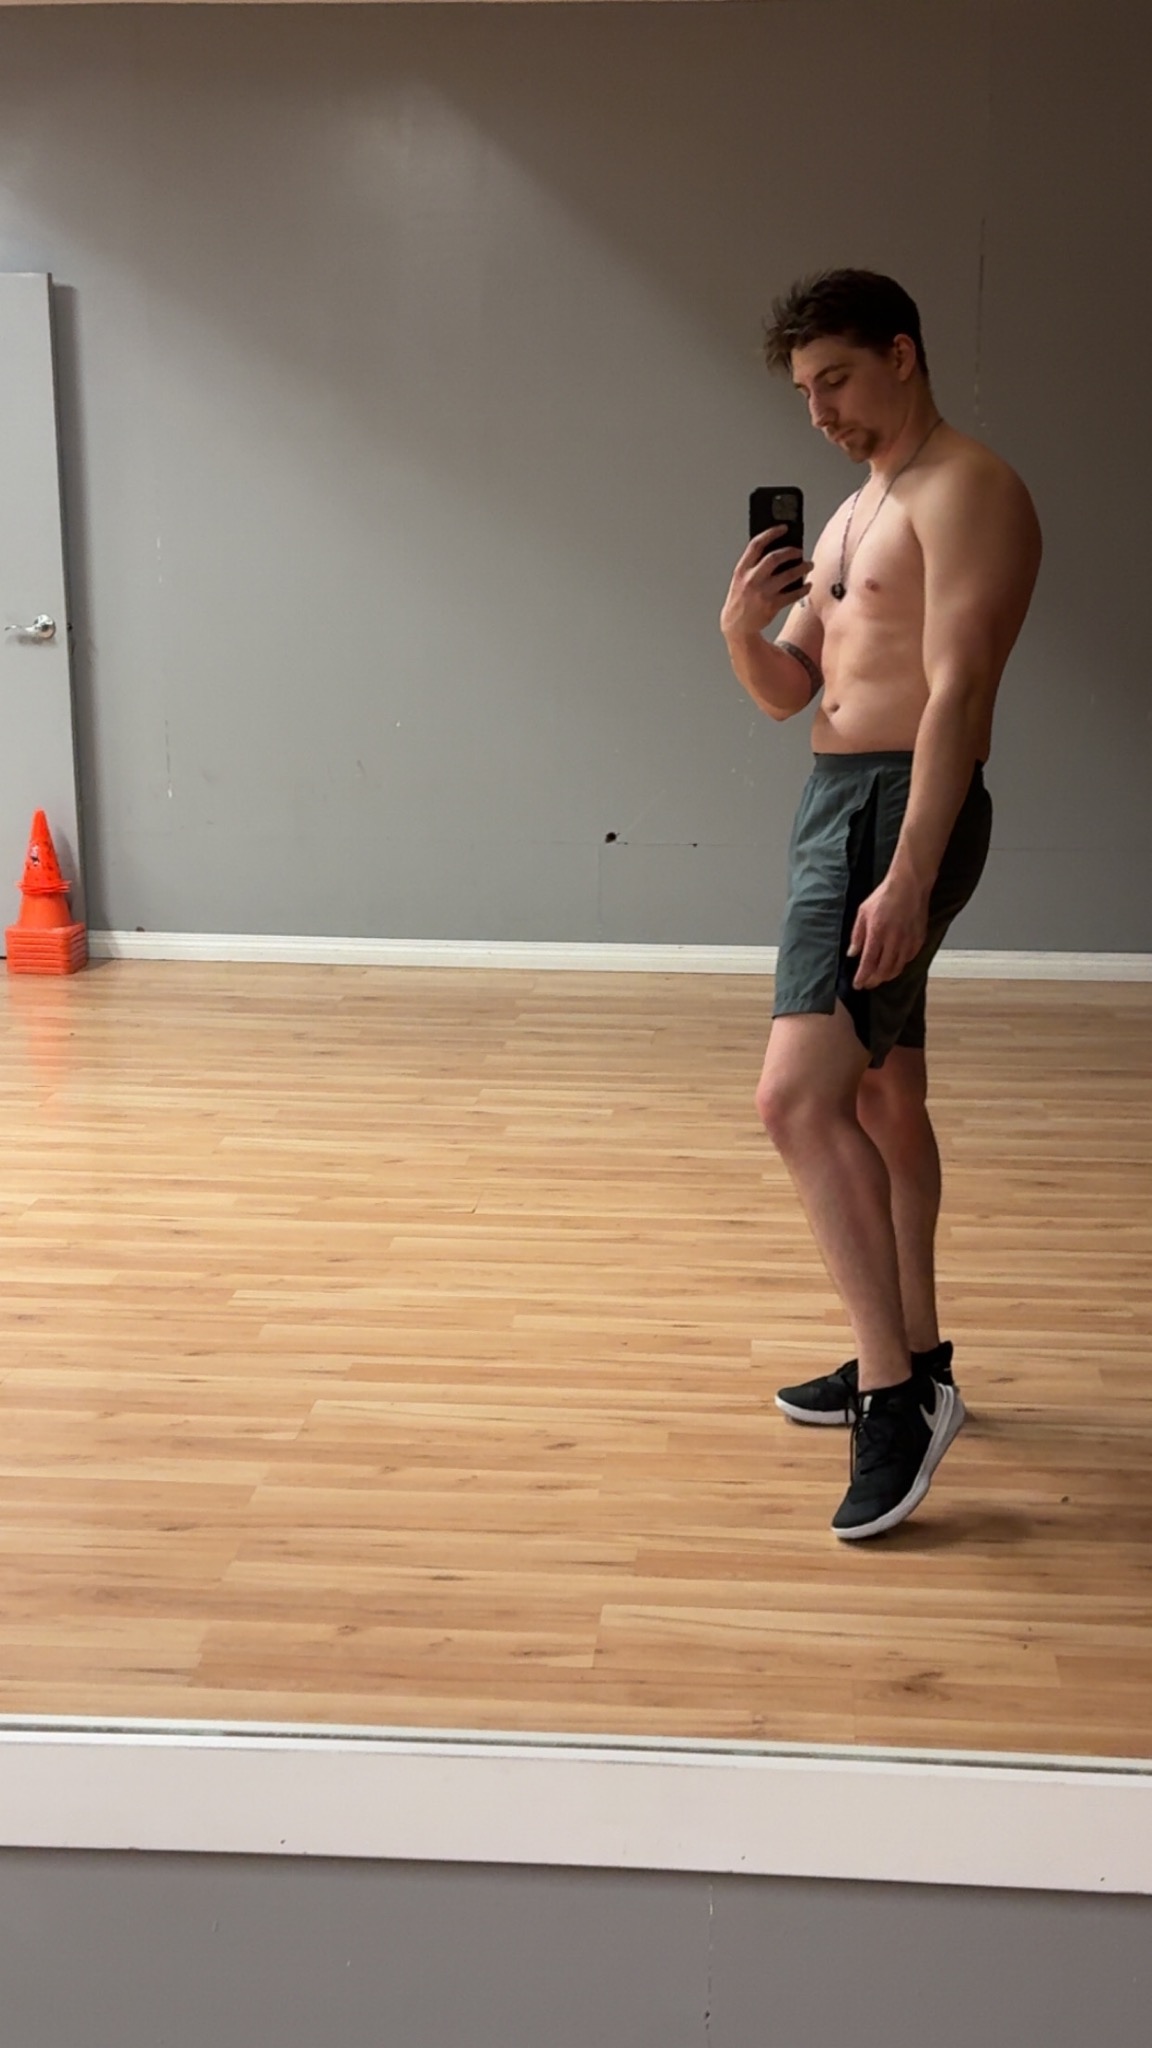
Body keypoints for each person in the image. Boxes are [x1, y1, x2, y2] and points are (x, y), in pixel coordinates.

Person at [720, 269, 1041, 1541]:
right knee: (882, 1095)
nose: (820, 413)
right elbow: (789, 691)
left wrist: (909, 870)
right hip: (837, 802)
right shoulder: (860, 511)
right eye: (805, 393)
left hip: (896, 810)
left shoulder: (970, 489)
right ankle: (917, 1350)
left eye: (837, 381)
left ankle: (895, 1402)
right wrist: (740, 628)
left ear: (902, 354)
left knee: (794, 1098)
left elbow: (959, 692)